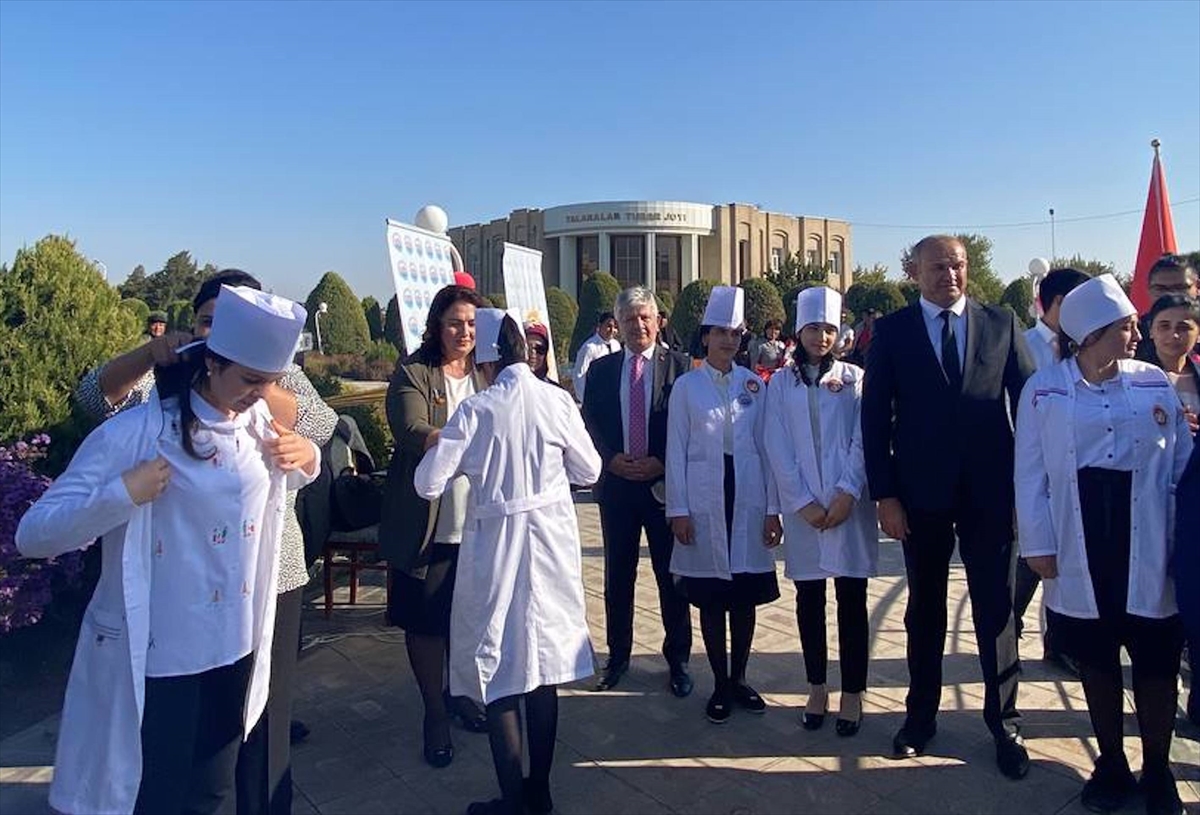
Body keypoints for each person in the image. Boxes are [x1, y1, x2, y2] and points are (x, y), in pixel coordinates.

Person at [18, 285, 319, 815]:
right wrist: (122, 494)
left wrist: (308, 454)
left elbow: (276, 492)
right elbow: (34, 533)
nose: (259, 394)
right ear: (211, 363)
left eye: (269, 382)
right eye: (250, 380)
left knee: (212, 791)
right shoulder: (137, 433)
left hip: (235, 648)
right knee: (155, 795)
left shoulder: (260, 431)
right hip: (161, 657)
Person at [1016, 274, 1192, 815]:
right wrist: (1038, 545)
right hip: (1080, 536)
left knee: (1157, 658)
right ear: (1090, 335)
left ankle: (1157, 770)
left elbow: (1182, 458)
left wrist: (1183, 536)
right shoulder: (1044, 389)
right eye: (1126, 327)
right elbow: (1030, 474)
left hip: (1147, 534)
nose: (1136, 335)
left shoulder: (1152, 382)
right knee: (1096, 657)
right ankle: (1110, 762)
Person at [414, 309, 602, 815]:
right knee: (542, 667)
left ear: (487, 359)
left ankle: (513, 799)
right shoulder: (557, 400)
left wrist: (452, 450)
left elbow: (427, 483)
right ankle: (539, 792)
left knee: (498, 669)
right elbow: (590, 468)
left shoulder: (475, 411)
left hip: (494, 545)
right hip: (549, 542)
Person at [861, 234, 1035, 778]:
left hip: (991, 495)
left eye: (958, 265)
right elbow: (874, 421)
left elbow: (1031, 409)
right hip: (920, 497)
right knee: (926, 611)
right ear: (915, 272)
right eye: (938, 267)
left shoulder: (1002, 322)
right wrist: (885, 495)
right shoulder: (892, 331)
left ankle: (1005, 723)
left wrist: (1027, 494)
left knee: (996, 611)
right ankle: (920, 717)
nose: (950, 275)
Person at [379, 284, 490, 769]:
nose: (463, 332)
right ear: (436, 326)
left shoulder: (491, 372)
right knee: (426, 622)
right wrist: (462, 438)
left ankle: (463, 694)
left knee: (470, 620)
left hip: (482, 522)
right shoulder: (414, 370)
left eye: (471, 324)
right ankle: (434, 710)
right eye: (454, 323)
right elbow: (409, 427)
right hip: (429, 524)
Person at [665, 286, 781, 724]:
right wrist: (677, 509)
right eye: (720, 333)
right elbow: (675, 450)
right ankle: (718, 682)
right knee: (713, 598)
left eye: (735, 333)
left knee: (744, 596)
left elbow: (766, 447)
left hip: (747, 494)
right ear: (706, 336)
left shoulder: (753, 384)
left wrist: (772, 508)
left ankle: (740, 678)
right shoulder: (686, 387)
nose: (728, 341)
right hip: (703, 496)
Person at [765, 287, 877, 738]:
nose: (823, 337)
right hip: (804, 509)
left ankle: (853, 692)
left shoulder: (855, 378)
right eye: (814, 328)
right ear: (800, 332)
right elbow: (777, 443)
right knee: (809, 600)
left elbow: (862, 438)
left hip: (848, 505)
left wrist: (848, 492)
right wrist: (801, 503)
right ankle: (817, 687)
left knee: (852, 600)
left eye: (830, 329)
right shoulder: (780, 384)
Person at [582, 286, 694, 696]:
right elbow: (589, 421)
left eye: (645, 317)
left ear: (657, 320)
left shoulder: (679, 367)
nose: (639, 325)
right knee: (618, 576)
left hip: (663, 486)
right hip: (617, 487)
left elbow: (690, 426)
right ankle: (618, 657)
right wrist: (609, 459)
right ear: (618, 325)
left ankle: (678, 660)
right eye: (630, 319)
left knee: (671, 576)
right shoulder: (602, 370)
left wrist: (661, 459)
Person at [1012, 266, 1091, 676]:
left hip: (1079, 477)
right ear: (1057, 303)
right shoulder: (1023, 347)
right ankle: (1008, 634)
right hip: (1033, 474)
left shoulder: (1090, 348)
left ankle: (1060, 641)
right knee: (1027, 563)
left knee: (1071, 559)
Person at [1145, 294, 1200, 432]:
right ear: (1151, 331)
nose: (1174, 335)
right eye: (1164, 326)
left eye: (1183, 328)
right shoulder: (1132, 376)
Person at [1138, 255, 1199, 364]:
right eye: (1160, 289)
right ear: (1149, 290)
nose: (1170, 295)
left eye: (1180, 288)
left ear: (1197, 287)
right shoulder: (1133, 336)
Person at [572, 311, 620, 403]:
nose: (612, 330)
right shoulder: (589, 348)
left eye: (615, 327)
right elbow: (579, 376)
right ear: (600, 326)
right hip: (594, 398)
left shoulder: (616, 345)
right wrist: (586, 401)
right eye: (608, 326)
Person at [523, 321, 564, 389]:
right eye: (527, 348)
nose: (533, 353)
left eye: (540, 349)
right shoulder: (505, 388)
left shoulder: (556, 391)